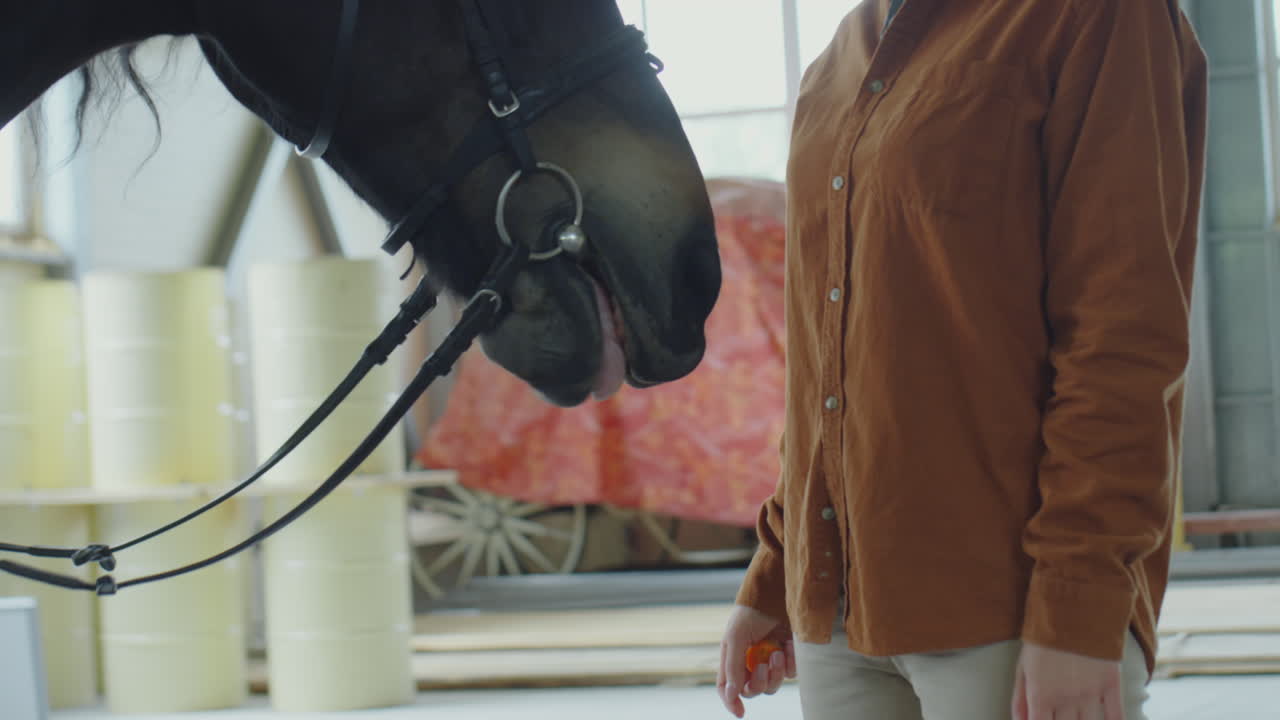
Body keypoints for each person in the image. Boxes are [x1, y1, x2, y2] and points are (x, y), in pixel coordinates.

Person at [717, 1, 1208, 719]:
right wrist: (776, 566)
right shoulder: (842, 54)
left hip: (1008, 612)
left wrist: (1079, 602)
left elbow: (1122, 334)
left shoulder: (1093, 15)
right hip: (838, 619)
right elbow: (827, 352)